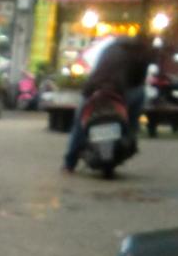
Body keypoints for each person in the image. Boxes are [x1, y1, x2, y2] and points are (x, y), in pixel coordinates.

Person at [62, 35, 156, 173]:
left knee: (80, 123)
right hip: (119, 91)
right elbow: (138, 82)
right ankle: (130, 137)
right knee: (138, 99)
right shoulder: (142, 54)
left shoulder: (110, 48)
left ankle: (69, 163)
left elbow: (98, 69)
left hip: (94, 89)